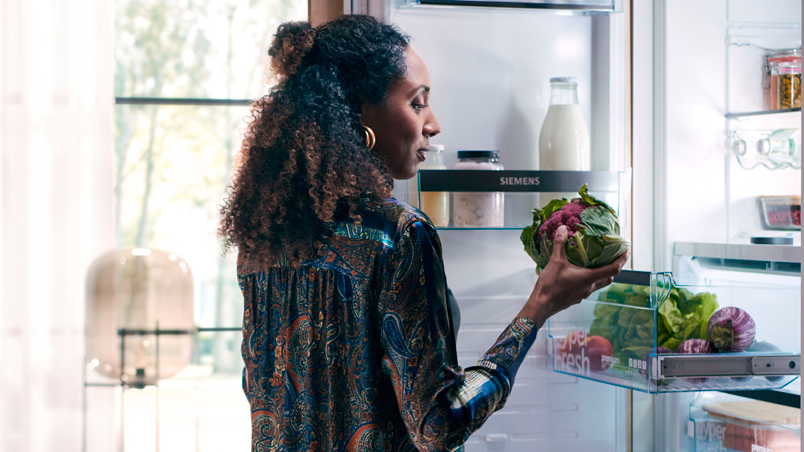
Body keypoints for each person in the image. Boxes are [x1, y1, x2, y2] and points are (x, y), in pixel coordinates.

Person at [218, 15, 628, 452]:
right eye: (417, 103)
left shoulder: (262, 240)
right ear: (359, 111)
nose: (433, 124)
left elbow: (262, 388)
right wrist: (539, 306)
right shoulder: (399, 235)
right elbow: (438, 425)